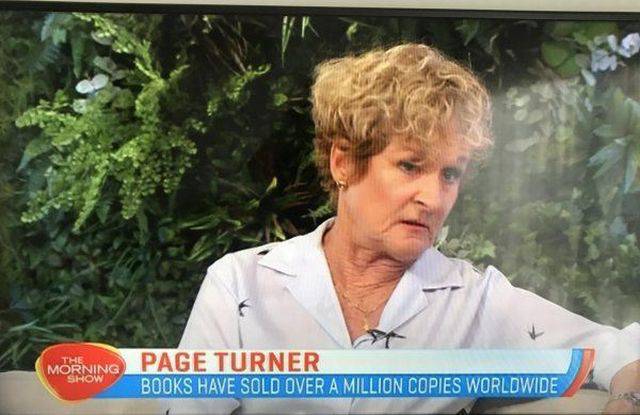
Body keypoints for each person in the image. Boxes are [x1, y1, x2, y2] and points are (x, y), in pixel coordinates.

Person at [171, 44, 640, 414]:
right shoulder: (240, 285)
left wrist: (627, 400)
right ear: (343, 162)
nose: (433, 198)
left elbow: (619, 350)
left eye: (450, 174)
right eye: (410, 165)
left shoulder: (474, 302)